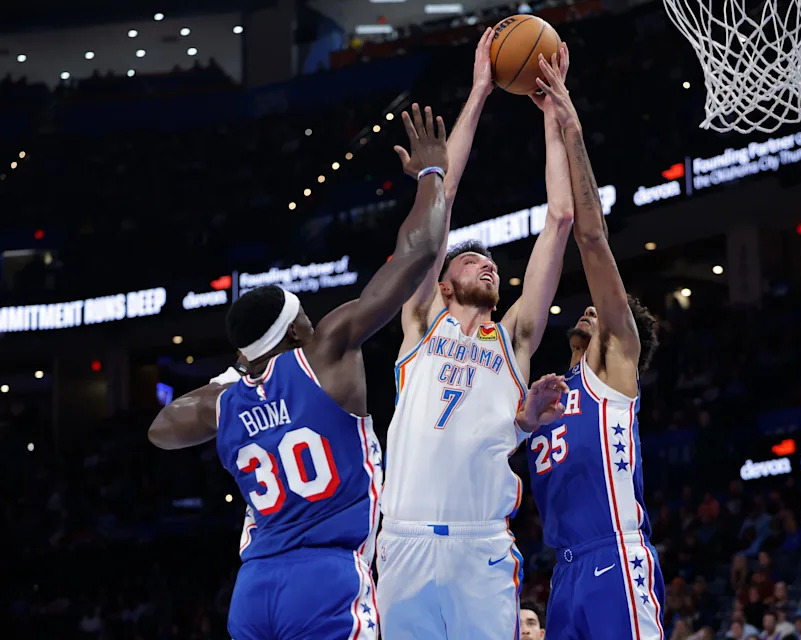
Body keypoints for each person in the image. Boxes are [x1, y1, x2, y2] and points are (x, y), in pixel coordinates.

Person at [146, 105, 452, 639]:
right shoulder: (325, 353)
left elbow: (161, 429)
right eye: (305, 320)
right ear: (292, 333)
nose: (315, 326)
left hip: (254, 590)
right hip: (325, 577)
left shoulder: (221, 402)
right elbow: (420, 249)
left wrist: (233, 378)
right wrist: (432, 173)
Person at [376, 34, 576, 639]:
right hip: (403, 540)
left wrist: (552, 117)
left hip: (480, 547)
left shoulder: (513, 338)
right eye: (469, 260)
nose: (486, 263)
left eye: (491, 263)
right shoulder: (419, 320)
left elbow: (560, 219)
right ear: (440, 283)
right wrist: (481, 90)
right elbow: (444, 199)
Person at [521, 49, 665, 640]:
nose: (592, 307)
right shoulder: (552, 393)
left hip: (614, 559)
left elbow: (589, 235)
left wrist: (570, 124)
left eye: (606, 313)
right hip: (566, 572)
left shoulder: (615, 368)